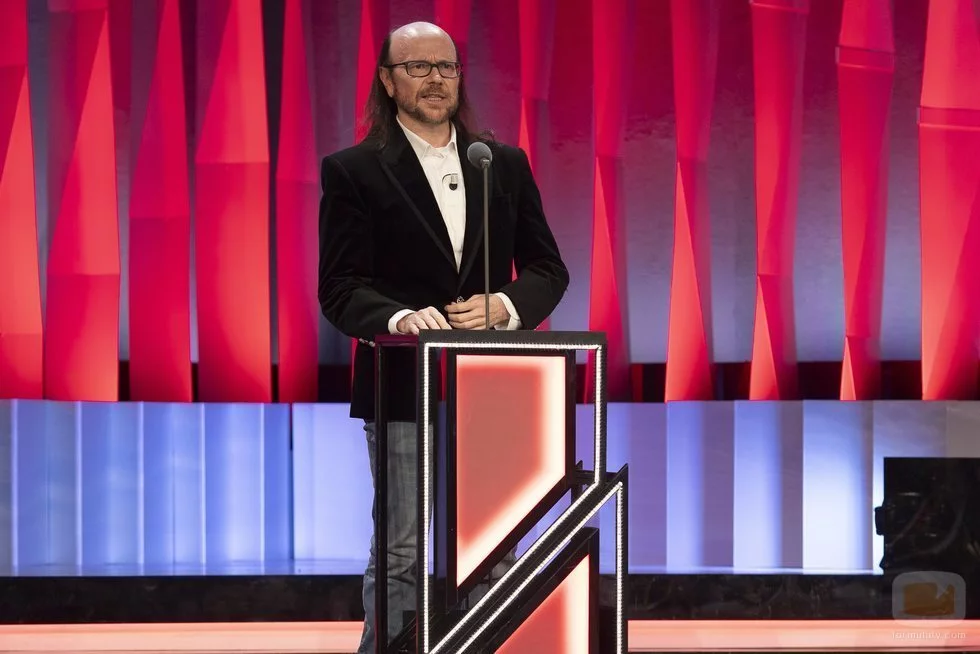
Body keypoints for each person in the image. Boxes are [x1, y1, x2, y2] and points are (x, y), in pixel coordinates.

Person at [317, 21, 568, 653]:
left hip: (493, 383)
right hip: (403, 385)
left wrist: (505, 304)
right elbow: (340, 288)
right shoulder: (354, 171)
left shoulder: (500, 164)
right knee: (401, 548)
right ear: (387, 80)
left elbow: (547, 269)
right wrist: (399, 318)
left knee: (494, 546)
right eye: (418, 67)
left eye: (446, 67)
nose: (435, 79)